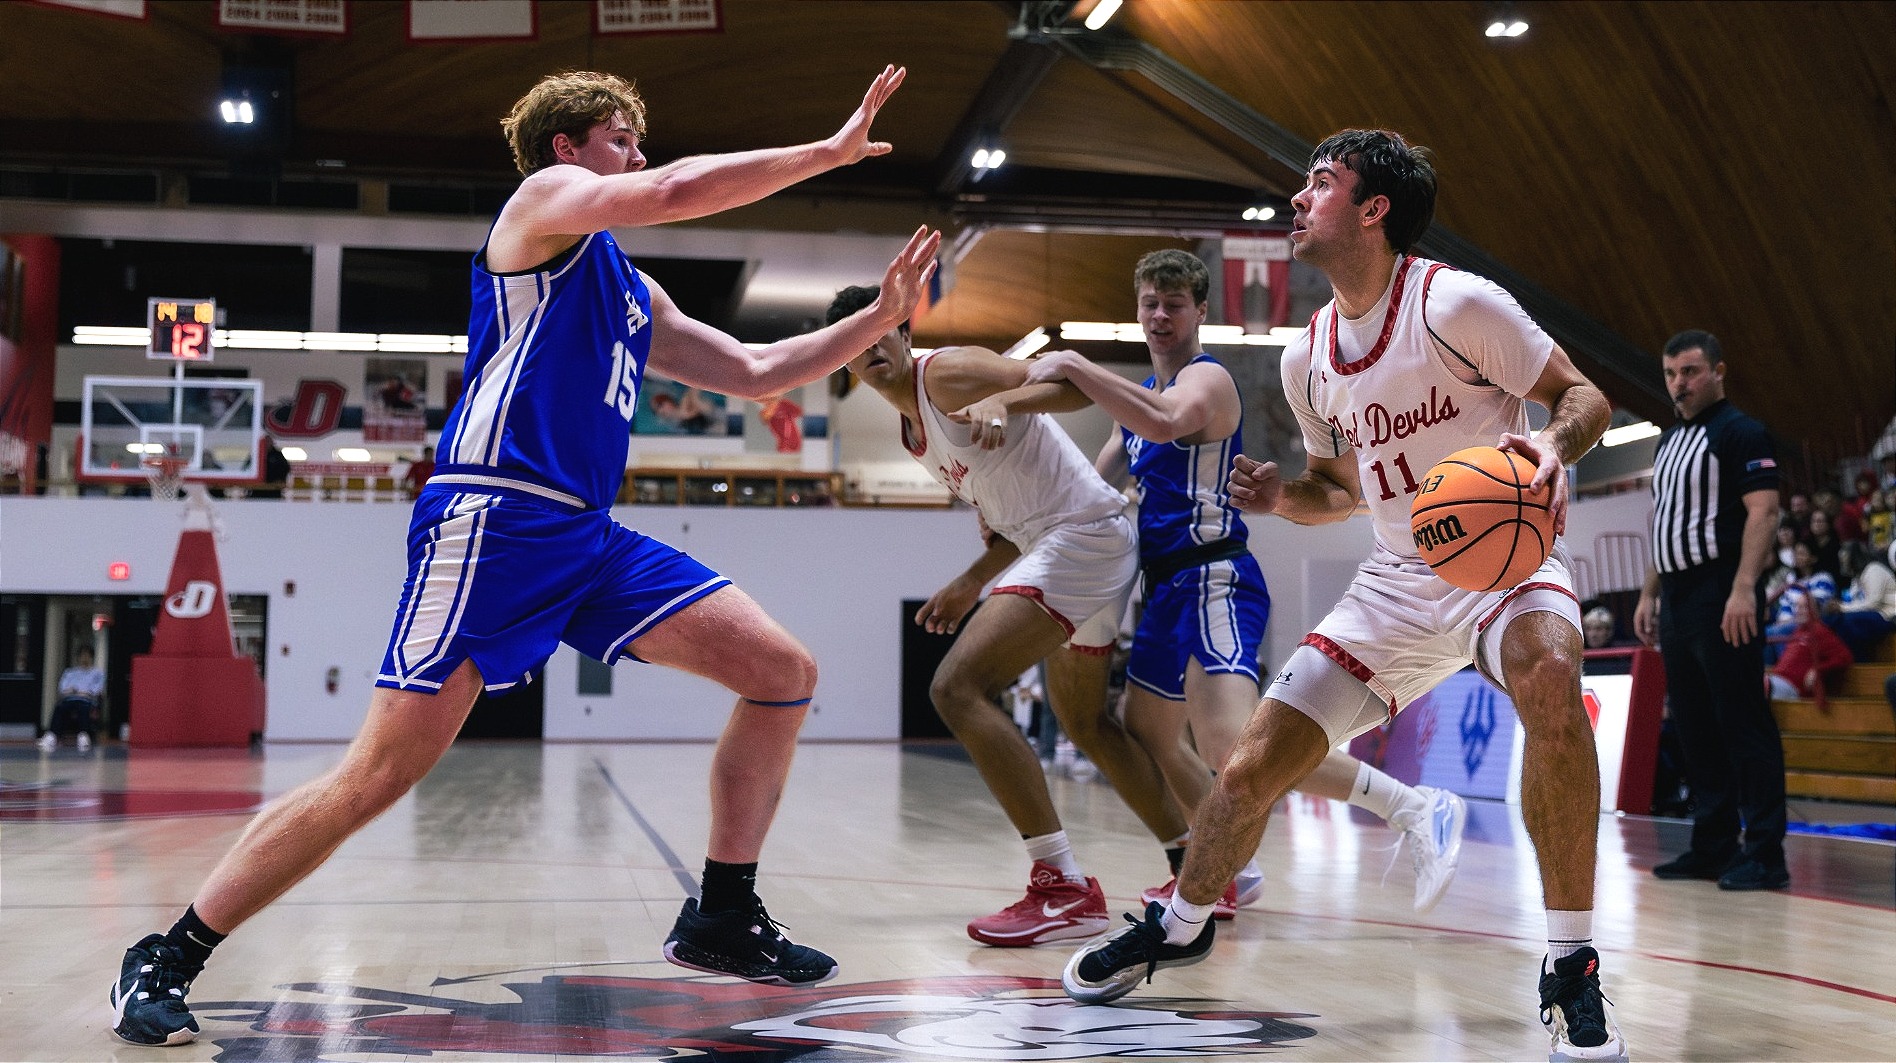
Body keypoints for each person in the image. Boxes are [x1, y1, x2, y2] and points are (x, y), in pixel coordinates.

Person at [107, 65, 940, 1047]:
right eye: (622, 138)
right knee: (377, 775)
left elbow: (757, 371)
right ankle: (169, 951)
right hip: (494, 518)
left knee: (781, 670)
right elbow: (675, 192)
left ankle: (721, 912)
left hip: (586, 534)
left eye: (637, 142)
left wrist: (877, 319)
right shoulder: (541, 210)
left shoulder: (631, 288)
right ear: (567, 146)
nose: (638, 156)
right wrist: (827, 154)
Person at [1061, 131, 1625, 1062]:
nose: (1297, 199)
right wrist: (1284, 499)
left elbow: (1584, 397)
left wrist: (1552, 447)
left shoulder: (1456, 304)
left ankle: (1571, 962)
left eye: (1319, 184)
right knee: (1248, 767)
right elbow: (1338, 490)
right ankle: (1181, 923)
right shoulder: (1307, 358)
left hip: (1505, 564)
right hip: (1395, 580)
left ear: (1374, 210)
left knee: (1551, 679)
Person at [1019, 249, 1465, 917]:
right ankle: (1232, 865)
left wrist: (1076, 367)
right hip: (1163, 588)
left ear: (1201, 310)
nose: (1160, 315)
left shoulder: (1207, 381)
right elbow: (1093, 486)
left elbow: (1165, 421)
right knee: (1147, 731)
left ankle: (1414, 806)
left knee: (1232, 745)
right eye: (1150, 303)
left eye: (1174, 304)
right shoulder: (1137, 398)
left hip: (1213, 576)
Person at [824, 284, 1192, 946]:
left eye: (883, 330)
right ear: (842, 359)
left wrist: (1006, 398)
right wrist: (971, 580)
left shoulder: (948, 372)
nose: (873, 346)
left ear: (905, 336)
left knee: (956, 688)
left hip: (1083, 537)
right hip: (1071, 542)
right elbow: (1012, 523)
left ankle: (1062, 886)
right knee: (1085, 722)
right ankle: (1194, 869)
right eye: (857, 339)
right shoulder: (913, 434)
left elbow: (1075, 387)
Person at [1633, 329, 1790, 894]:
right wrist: (1649, 593)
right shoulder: (1669, 441)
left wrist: (1744, 588)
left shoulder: (1741, 432)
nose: (1679, 383)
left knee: (1742, 722)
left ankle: (1766, 853)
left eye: (1691, 372)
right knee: (1695, 726)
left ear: (1718, 372)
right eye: (1671, 373)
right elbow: (1664, 520)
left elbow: (1764, 512)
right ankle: (1713, 844)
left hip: (1722, 591)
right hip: (1677, 597)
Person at [1765, 594, 1852, 707]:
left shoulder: (1820, 631)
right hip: (1777, 682)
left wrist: (1818, 669)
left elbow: (1845, 656)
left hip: (1792, 688)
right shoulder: (1797, 632)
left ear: (1815, 610)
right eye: (1797, 606)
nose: (1799, 610)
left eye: (1805, 607)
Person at [42, 644, 104, 751]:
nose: (84, 658)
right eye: (82, 655)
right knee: (60, 707)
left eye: (87, 655)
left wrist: (81, 692)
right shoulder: (70, 672)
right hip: (70, 699)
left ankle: (83, 736)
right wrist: (75, 691)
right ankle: (52, 735)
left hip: (86, 700)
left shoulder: (98, 673)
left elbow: (96, 690)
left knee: (83, 707)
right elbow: (62, 689)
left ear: (91, 657)